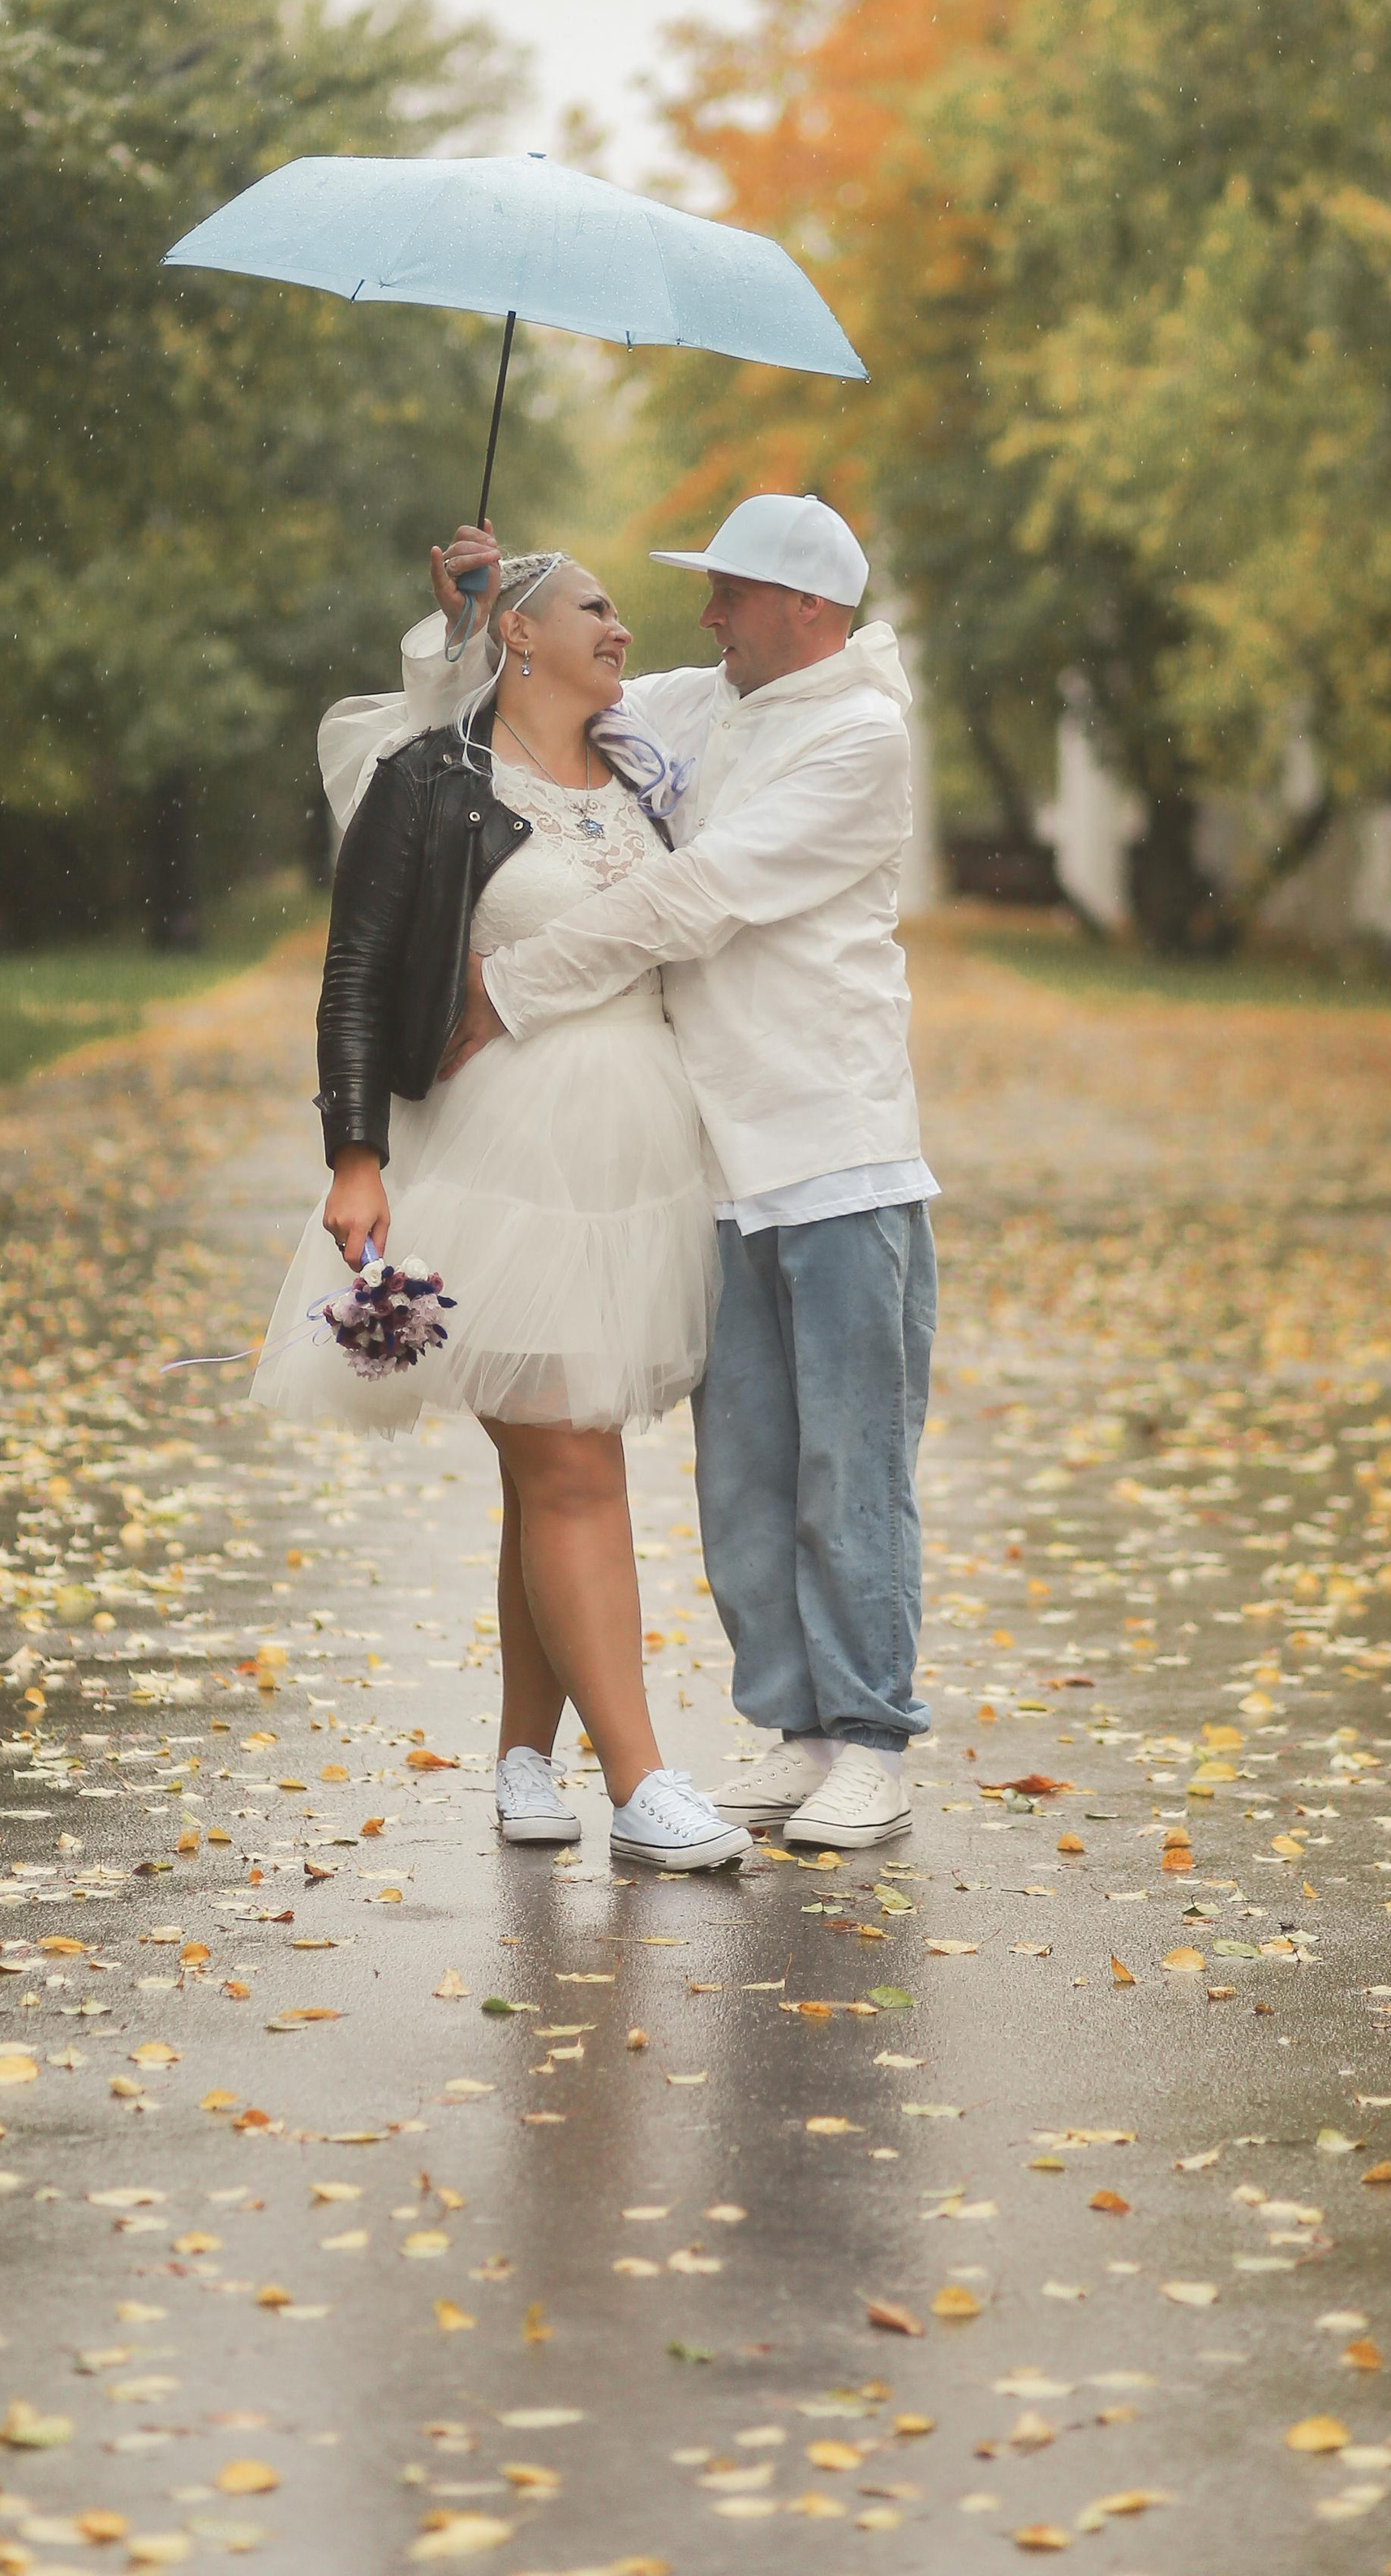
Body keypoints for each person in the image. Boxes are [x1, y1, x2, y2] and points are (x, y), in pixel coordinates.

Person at [431, 491, 937, 1854]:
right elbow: (535, 701)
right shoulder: (708, 699)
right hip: (711, 1155)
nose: (704, 615)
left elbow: (695, 894)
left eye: (730, 593)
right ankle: (800, 1728)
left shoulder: (860, 738)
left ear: (808, 611)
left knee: (851, 1459)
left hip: (833, 1147)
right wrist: (474, 618)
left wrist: (509, 989)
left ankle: (875, 1736)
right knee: (750, 1467)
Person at [251, 551, 752, 1875]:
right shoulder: (432, 783)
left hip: (636, 1162)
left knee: (556, 1470)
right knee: (576, 1466)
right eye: (598, 608)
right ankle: (641, 1783)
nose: (625, 627)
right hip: (497, 1158)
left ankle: (528, 1756)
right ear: (519, 635)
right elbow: (357, 966)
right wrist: (355, 1153)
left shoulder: (647, 774)